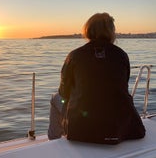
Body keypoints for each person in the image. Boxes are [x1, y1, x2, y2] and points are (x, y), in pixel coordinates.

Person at [48, 12, 145, 144]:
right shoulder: (121, 55)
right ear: (111, 32)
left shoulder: (75, 56)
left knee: (55, 98)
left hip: (81, 129)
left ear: (88, 30)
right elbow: (122, 86)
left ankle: (55, 143)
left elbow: (64, 92)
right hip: (120, 128)